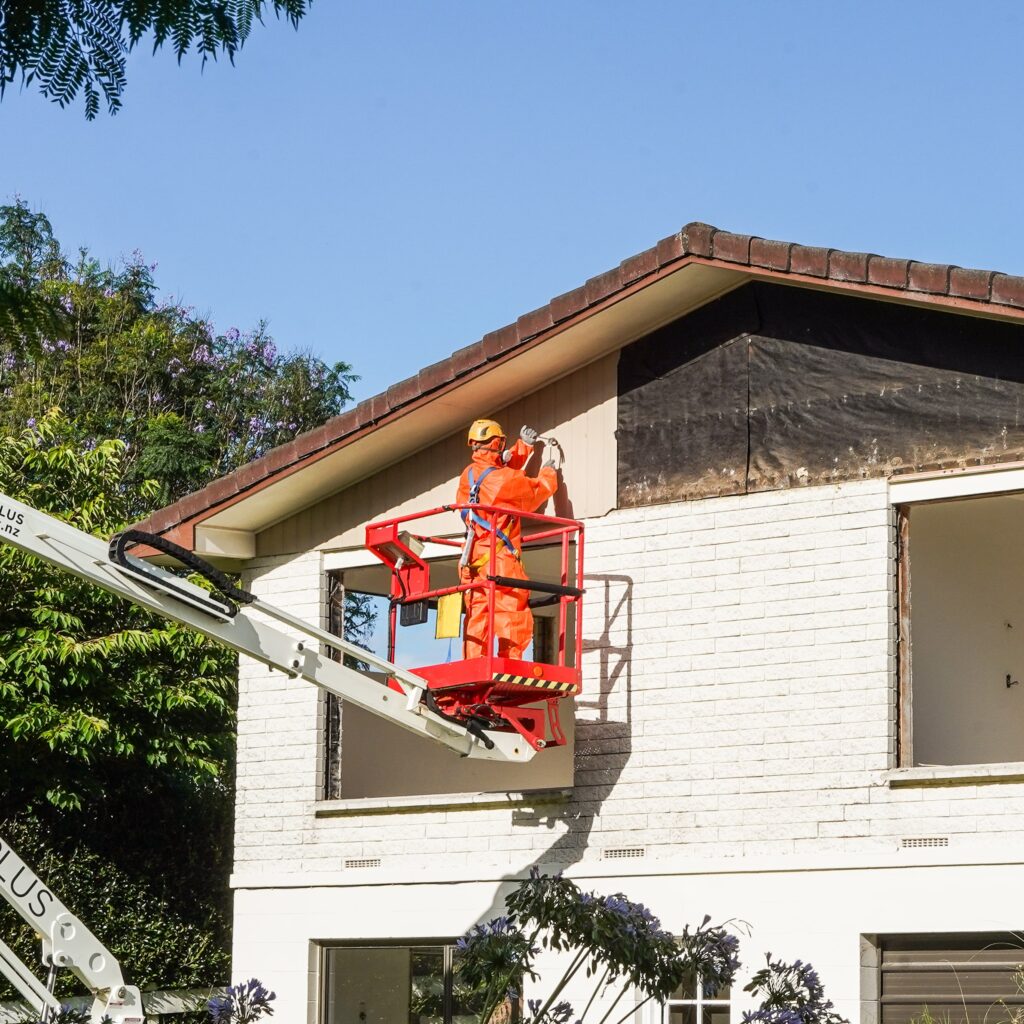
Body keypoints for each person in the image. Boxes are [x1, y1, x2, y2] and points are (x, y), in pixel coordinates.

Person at [456, 419, 559, 660]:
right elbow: (534, 491)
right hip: (500, 559)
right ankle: (510, 665)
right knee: (512, 613)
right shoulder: (504, 481)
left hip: (472, 559)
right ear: (495, 443)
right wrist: (549, 473)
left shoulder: (468, 475)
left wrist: (522, 448)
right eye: (500, 443)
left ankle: (474, 664)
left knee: (478, 615)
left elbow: (497, 471)